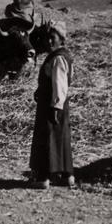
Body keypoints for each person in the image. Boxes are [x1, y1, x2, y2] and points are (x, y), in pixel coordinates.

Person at [29, 20, 74, 189]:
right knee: (60, 139)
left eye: (52, 37)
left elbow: (60, 83)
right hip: (58, 105)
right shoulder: (63, 56)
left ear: (61, 39)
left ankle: (43, 178)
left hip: (52, 106)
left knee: (47, 139)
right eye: (47, 37)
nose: (49, 41)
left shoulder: (58, 59)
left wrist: (55, 106)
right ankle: (66, 176)